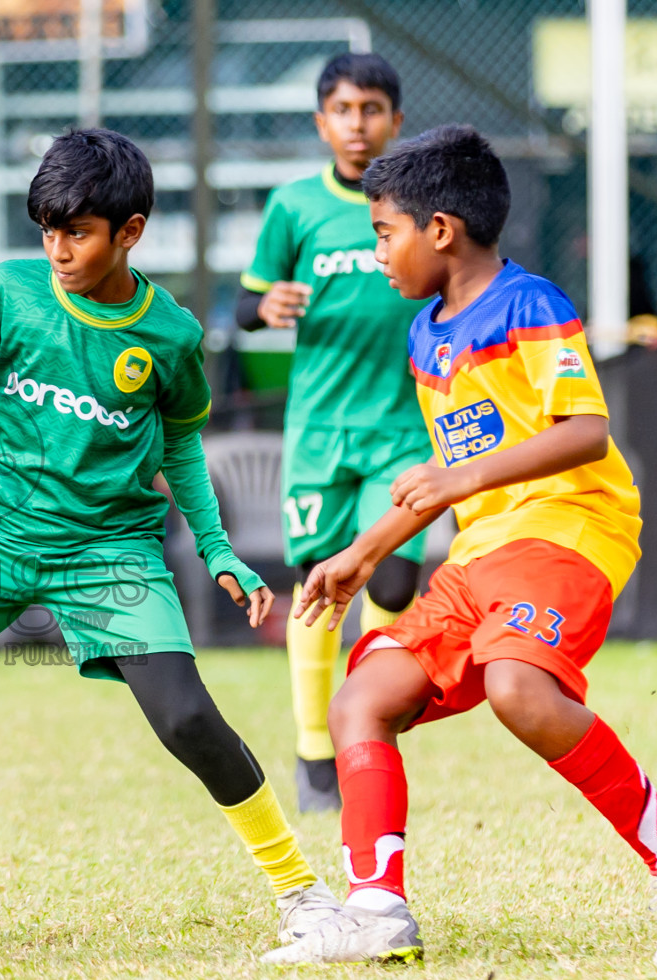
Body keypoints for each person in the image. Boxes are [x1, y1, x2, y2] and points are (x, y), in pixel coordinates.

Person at [0, 129, 342, 946]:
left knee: (189, 720)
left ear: (131, 231)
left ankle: (303, 895)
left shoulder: (172, 336)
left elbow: (182, 443)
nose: (57, 249)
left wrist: (219, 547)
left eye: (77, 233)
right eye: (47, 230)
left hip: (109, 552)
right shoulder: (10, 293)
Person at [262, 126, 657, 967]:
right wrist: (363, 555)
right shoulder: (424, 335)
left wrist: (459, 478)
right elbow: (451, 473)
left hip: (568, 526)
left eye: (384, 233)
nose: (377, 253)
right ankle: (377, 910)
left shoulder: (531, 305)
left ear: (439, 229)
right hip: (481, 553)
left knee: (521, 687)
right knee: (361, 699)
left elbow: (585, 433)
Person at [235, 53, 432, 813]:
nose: (359, 124)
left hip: (402, 426)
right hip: (319, 429)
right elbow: (245, 307)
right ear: (323, 123)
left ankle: (367, 719)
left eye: (373, 108)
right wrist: (264, 308)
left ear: (396, 121)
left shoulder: (418, 205)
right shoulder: (293, 207)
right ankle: (318, 752)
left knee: (391, 581)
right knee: (320, 584)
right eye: (344, 110)